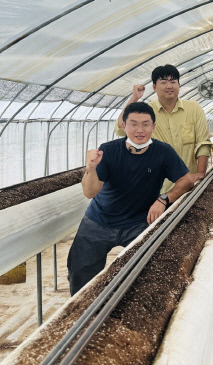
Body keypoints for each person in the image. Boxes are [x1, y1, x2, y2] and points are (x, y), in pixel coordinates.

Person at [68, 102, 193, 296]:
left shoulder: (163, 152)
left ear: (153, 126)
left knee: (148, 273)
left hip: (139, 222)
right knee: (81, 274)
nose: (139, 130)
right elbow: (90, 192)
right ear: (124, 126)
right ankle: (81, 314)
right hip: (99, 221)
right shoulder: (108, 151)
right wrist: (91, 168)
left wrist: (163, 199)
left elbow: (186, 180)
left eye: (145, 124)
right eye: (133, 124)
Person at [114, 64, 211, 191]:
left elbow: (202, 143)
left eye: (173, 81)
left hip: (188, 184)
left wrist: (200, 173)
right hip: (156, 186)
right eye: (163, 82)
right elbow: (120, 129)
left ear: (179, 84)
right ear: (154, 87)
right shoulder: (147, 112)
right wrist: (134, 98)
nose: (169, 86)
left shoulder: (193, 108)